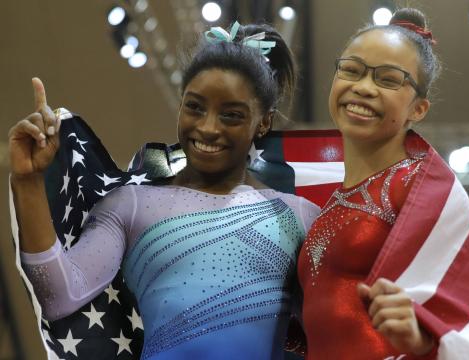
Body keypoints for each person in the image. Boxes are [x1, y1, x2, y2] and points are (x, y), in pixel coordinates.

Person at [8, 22, 320, 359]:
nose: (207, 127)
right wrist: (28, 181)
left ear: (264, 122)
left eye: (231, 115)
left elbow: (331, 326)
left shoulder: (299, 216)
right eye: (195, 107)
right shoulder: (130, 206)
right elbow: (59, 295)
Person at [297, 8, 469, 359]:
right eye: (351, 70)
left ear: (418, 109)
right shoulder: (325, 199)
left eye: (389, 79)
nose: (363, 87)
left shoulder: (422, 193)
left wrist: (424, 340)